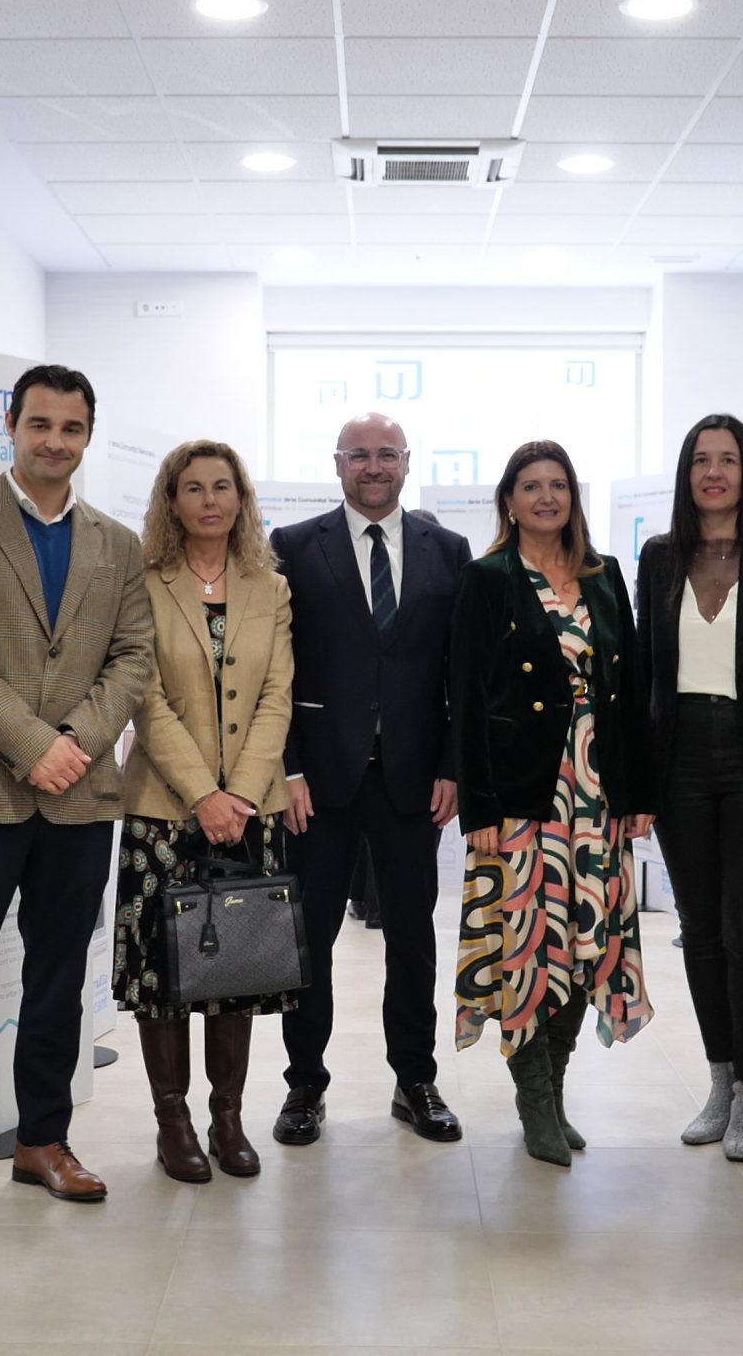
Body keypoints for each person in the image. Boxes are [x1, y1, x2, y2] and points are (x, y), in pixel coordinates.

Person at [0, 364, 154, 1235]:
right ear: (9, 425)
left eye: (71, 428)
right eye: (39, 424)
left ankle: (43, 1139)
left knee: (58, 975)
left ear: (87, 436)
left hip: (78, 796)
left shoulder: (117, 543)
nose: (54, 441)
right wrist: (33, 745)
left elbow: (132, 655)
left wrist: (74, 742)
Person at [269, 412, 473, 1145]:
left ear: (408, 462)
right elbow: (275, 670)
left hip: (415, 779)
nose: (374, 466)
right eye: (360, 455)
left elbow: (461, 671)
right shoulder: (294, 547)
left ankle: (415, 1079)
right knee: (309, 940)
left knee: (413, 939)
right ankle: (304, 1086)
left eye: (387, 454)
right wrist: (288, 768)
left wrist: (452, 766)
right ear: (338, 464)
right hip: (318, 781)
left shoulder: (448, 550)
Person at [450, 440, 655, 1166]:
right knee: (529, 949)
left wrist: (637, 793)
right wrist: (479, 809)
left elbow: (632, 692)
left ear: (573, 497)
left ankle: (556, 1091)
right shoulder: (486, 579)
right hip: (522, 798)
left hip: (596, 797)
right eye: (531, 486)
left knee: (581, 944)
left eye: (558, 485)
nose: (546, 497)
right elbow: (466, 698)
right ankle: (533, 1100)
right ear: (509, 501)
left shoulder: (605, 575)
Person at [114, 439, 296, 1183]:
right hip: (165, 808)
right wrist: (203, 795)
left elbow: (277, 696)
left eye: (223, 486)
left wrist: (241, 796)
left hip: (252, 811)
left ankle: (227, 1117)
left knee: (237, 966)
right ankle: (173, 1122)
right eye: (194, 487)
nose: (210, 500)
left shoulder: (269, 587)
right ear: (171, 500)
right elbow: (144, 697)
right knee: (163, 972)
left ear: (241, 499)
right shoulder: (141, 583)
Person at [633, 415, 743, 1161]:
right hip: (680, 762)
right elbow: (644, 671)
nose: (714, 473)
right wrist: (638, 781)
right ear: (686, 474)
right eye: (701, 460)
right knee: (700, 930)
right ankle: (719, 1079)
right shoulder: (660, 556)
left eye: (728, 460)